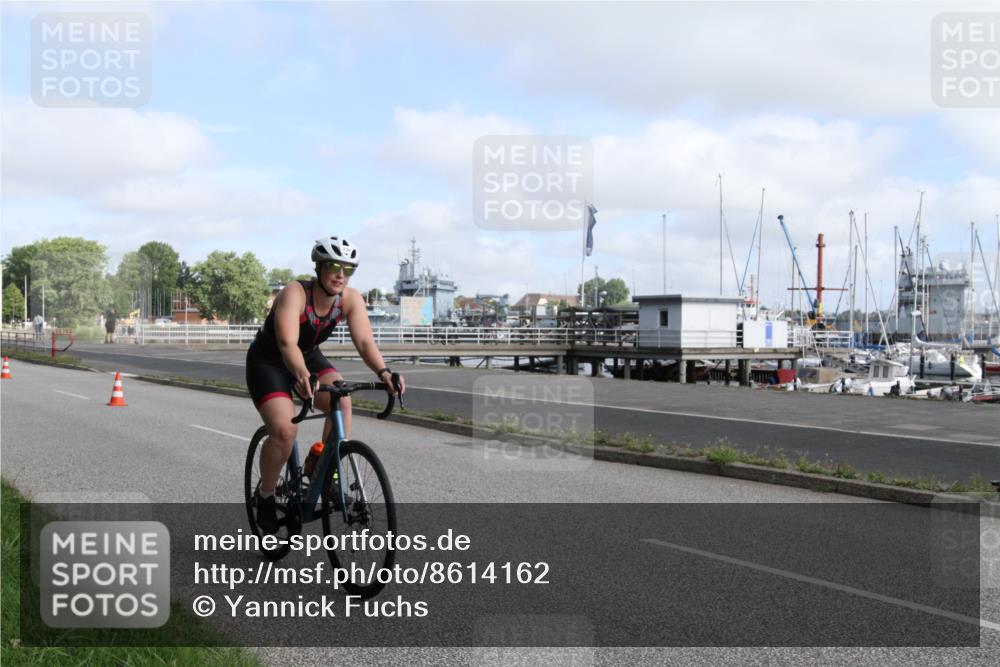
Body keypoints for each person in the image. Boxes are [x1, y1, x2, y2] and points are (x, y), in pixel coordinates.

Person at [246, 237, 405, 533]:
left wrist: (384, 372)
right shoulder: (295, 293)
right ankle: (265, 495)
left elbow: (364, 341)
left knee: (342, 399)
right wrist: (302, 375)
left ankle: (320, 468)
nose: (340, 275)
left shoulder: (350, 299)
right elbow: (286, 342)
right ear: (318, 267)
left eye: (348, 269)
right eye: (333, 266)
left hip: (308, 356)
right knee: (285, 431)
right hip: (269, 361)